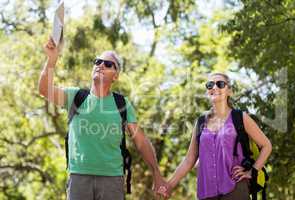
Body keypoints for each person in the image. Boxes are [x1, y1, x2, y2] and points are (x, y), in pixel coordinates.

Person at [38, 37, 167, 200]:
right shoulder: (75, 96)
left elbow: (141, 141)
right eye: (98, 61)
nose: (100, 65)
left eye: (108, 64)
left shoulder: (122, 104)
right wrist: (51, 60)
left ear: (116, 76)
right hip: (79, 178)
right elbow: (44, 89)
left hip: (112, 180)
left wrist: (157, 173)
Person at [158, 73, 272, 200]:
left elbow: (266, 145)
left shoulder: (240, 117)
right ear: (207, 91)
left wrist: (252, 172)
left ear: (229, 91)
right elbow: (189, 160)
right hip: (206, 192)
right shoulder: (200, 122)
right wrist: (169, 184)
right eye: (210, 85)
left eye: (220, 84)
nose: (214, 87)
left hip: (235, 188)